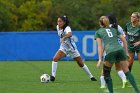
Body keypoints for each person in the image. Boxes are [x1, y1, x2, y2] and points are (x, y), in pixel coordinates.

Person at [95, 16, 140, 93]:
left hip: (110, 52)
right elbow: (124, 41)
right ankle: (137, 90)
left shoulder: (98, 32)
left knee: (106, 73)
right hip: (120, 50)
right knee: (127, 71)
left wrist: (99, 59)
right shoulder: (114, 29)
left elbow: (100, 46)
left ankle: (111, 92)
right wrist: (126, 52)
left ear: (100, 23)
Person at [50, 15, 97, 82]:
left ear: (64, 22)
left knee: (80, 63)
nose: (58, 23)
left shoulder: (67, 28)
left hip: (72, 49)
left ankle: (91, 76)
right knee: (55, 58)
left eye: (60, 21)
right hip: (63, 48)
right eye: (58, 21)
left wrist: (63, 38)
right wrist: (62, 40)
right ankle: (53, 76)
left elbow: (70, 34)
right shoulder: (58, 27)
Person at [97, 14, 128, 89]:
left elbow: (105, 43)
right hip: (119, 49)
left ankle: (102, 85)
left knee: (105, 70)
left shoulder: (105, 29)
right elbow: (124, 37)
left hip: (110, 50)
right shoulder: (118, 27)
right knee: (118, 68)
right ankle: (124, 80)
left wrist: (101, 57)